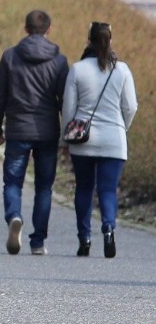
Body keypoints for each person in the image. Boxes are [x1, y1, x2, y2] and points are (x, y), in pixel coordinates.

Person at [0, 9, 69, 256]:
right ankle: (38, 241)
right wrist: (66, 135)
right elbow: (66, 100)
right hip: (47, 132)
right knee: (44, 187)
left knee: (12, 182)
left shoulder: (11, 57)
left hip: (17, 130)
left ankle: (14, 216)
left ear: (25, 29)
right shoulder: (59, 61)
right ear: (49, 30)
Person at [62, 21, 137, 258]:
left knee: (84, 188)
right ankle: (108, 228)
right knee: (108, 190)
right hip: (114, 139)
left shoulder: (77, 69)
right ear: (110, 39)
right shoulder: (122, 70)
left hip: (84, 141)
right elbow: (131, 106)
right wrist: (121, 127)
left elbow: (68, 109)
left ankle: (84, 238)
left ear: (89, 40)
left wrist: (66, 140)